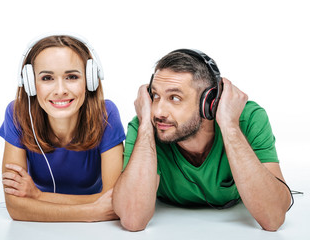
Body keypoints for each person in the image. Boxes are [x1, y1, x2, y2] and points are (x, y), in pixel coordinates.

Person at [113, 49, 292, 231]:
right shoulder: (146, 124)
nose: (158, 112)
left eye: (175, 98)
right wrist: (145, 127)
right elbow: (133, 219)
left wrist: (230, 127)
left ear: (209, 103)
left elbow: (273, 218)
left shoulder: (247, 119)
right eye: (155, 96)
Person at [0, 33, 125, 222]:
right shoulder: (17, 113)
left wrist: (38, 198)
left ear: (89, 80)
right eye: (47, 78)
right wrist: (91, 212)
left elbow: (116, 200)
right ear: (30, 83)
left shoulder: (106, 114)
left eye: (72, 77)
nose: (60, 90)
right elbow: (15, 208)